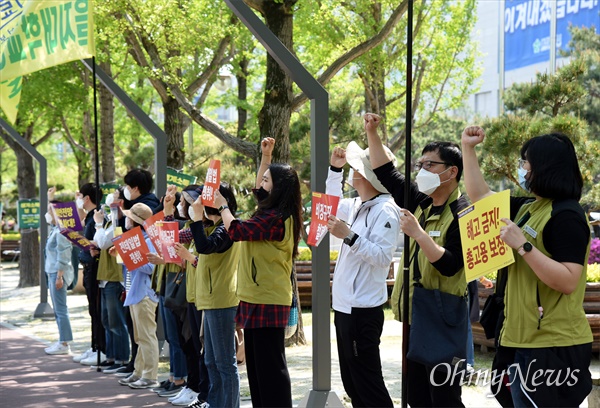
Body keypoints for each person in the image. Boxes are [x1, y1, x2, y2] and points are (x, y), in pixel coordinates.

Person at [461, 127, 593, 407]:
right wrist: (468, 149)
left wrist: (523, 246)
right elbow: (480, 196)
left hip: (552, 346)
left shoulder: (566, 215)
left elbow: (568, 280)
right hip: (518, 339)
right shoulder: (528, 208)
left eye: (526, 163)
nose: (522, 169)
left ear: (545, 167)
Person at [364, 113, 469, 407]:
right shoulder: (422, 201)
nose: (422, 170)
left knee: (445, 396)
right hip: (417, 311)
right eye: (420, 164)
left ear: (452, 172)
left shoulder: (463, 211)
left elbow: (451, 265)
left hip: (444, 313)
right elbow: (388, 174)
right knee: (417, 393)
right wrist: (372, 132)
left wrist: (419, 234)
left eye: (430, 165)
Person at [213, 137, 302, 408]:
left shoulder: (275, 219)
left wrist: (223, 206)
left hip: (268, 297)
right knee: (257, 371)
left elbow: (237, 230)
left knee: (270, 369)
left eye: (266, 181)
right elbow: (258, 189)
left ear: (278, 188)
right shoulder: (270, 212)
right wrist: (266, 158)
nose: (259, 185)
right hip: (257, 295)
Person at [325, 143, 401, 407]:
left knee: (368, 383)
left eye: (355, 168)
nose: (351, 171)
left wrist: (348, 235)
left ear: (368, 176)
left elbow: (382, 257)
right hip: (346, 307)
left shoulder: (385, 209)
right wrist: (334, 170)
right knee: (352, 382)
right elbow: (330, 206)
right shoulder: (358, 203)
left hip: (362, 310)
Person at [178, 183, 241, 408]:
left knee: (225, 363)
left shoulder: (226, 228)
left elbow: (205, 248)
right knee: (212, 361)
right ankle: (215, 403)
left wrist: (195, 219)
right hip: (211, 300)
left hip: (222, 299)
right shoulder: (213, 227)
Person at [92, 190, 130, 373]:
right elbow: (98, 241)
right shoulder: (110, 221)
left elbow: (103, 242)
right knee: (107, 321)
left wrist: (98, 224)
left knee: (116, 321)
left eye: (115, 198)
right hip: (105, 277)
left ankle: (122, 359)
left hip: (115, 278)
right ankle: (112, 356)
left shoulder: (119, 223)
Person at [75, 182, 107, 366]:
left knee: (97, 310)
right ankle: (95, 346)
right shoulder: (88, 217)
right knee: (92, 311)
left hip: (95, 268)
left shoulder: (98, 216)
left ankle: (101, 348)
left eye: (80, 196)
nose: (78, 199)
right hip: (87, 267)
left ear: (87, 198)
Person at [43, 189, 75, 355]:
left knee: (61, 309)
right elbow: (49, 216)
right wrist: (50, 199)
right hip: (52, 272)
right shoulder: (56, 228)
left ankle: (64, 343)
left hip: (57, 273)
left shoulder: (62, 231)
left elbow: (64, 255)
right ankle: (62, 339)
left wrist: (59, 276)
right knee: (58, 309)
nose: (48, 213)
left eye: (51, 211)